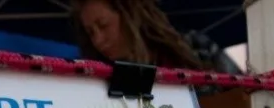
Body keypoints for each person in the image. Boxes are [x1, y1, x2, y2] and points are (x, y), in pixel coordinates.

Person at [72, 0, 243, 76]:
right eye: (91, 32)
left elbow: (242, 95)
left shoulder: (196, 47)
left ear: (129, 16)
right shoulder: (99, 77)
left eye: (103, 25)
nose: (98, 40)